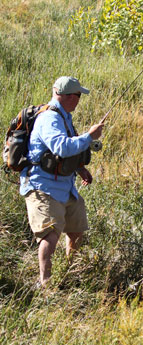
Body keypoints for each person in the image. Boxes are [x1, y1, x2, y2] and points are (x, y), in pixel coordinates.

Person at [20, 76, 103, 287]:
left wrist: (80, 169)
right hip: (43, 186)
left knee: (76, 229)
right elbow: (61, 147)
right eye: (77, 95)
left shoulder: (64, 116)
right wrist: (89, 136)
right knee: (50, 235)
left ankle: (69, 274)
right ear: (65, 96)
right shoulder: (49, 118)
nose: (79, 100)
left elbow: (60, 154)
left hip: (64, 186)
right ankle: (46, 284)